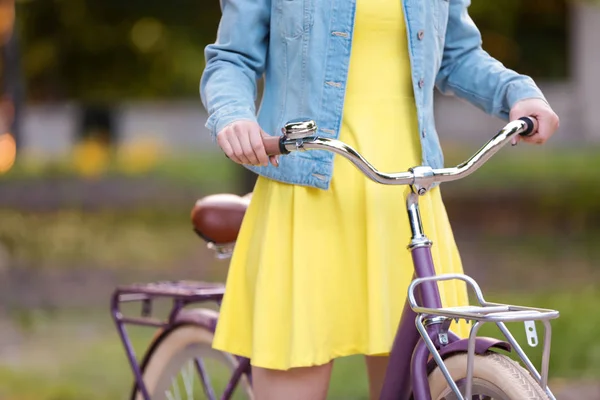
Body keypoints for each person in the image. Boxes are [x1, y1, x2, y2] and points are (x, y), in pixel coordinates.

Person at [200, 0, 560, 399]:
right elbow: (232, 58)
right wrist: (234, 116)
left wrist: (516, 93)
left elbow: (456, 54)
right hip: (306, 196)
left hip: (407, 201)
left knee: (425, 373)